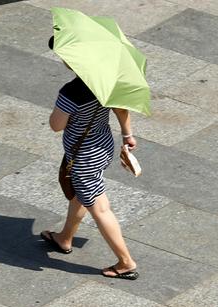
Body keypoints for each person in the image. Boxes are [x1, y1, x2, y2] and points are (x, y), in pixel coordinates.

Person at [40, 36, 138, 280]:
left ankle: (126, 262)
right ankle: (65, 238)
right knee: (80, 194)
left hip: (83, 155)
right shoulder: (108, 79)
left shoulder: (72, 91)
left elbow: (55, 125)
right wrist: (128, 135)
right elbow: (121, 108)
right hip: (103, 146)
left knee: (101, 208)